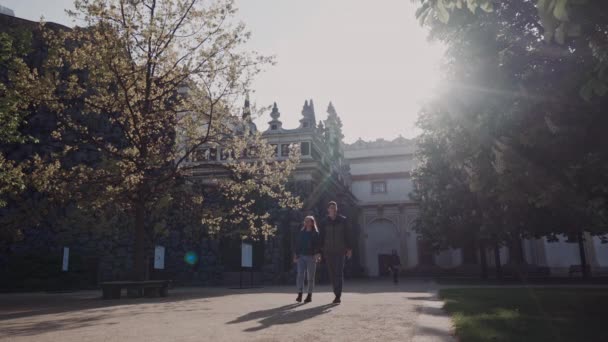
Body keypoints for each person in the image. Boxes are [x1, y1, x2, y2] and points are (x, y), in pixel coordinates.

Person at [319, 201, 353, 304]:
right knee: (332, 273)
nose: (332, 209)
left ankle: (337, 295)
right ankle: (336, 292)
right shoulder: (324, 221)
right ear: (328, 209)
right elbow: (321, 237)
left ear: (336, 209)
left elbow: (348, 235)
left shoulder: (343, 220)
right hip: (328, 251)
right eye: (331, 208)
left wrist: (349, 249)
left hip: (340, 250)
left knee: (338, 272)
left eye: (334, 207)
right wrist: (319, 251)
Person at [293, 216, 321, 303]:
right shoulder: (301, 233)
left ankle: (309, 295)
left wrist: (317, 254)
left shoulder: (315, 233)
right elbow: (298, 244)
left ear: (312, 223)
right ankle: (300, 294)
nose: (306, 223)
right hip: (301, 256)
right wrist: (296, 255)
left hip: (311, 257)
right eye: (305, 221)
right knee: (300, 275)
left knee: (310, 277)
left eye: (308, 221)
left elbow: (318, 245)